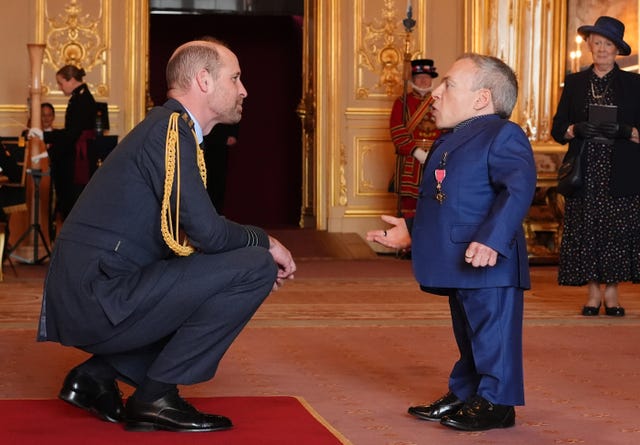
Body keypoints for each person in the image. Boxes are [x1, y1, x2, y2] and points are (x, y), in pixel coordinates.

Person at [37, 39, 297, 433]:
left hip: (94, 290)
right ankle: (154, 397)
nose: (244, 90)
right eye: (236, 77)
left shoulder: (170, 128)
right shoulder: (170, 130)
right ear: (204, 80)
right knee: (255, 265)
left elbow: (190, 232)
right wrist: (266, 241)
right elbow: (208, 233)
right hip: (98, 297)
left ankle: (94, 376)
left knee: (226, 269)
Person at [368, 53, 536, 431]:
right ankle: (466, 392)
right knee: (470, 334)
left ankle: (497, 403)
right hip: (461, 258)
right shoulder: (453, 140)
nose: (436, 94)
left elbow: (517, 188)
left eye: (449, 85)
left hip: (490, 260)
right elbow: (450, 201)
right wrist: (410, 227)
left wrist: (493, 240)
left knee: (493, 334)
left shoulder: (502, 134)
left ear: (482, 98)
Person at [551, 16, 640, 317]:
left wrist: (625, 131)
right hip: (585, 170)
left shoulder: (634, 83)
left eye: (608, 44)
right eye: (597, 43)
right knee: (587, 231)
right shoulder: (575, 82)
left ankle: (612, 296)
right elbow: (557, 128)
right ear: (589, 45)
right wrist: (576, 129)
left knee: (615, 233)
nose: (602, 49)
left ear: (618, 50)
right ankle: (592, 296)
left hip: (620, 170)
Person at [389, 59, 443, 218]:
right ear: (413, 80)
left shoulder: (440, 101)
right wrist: (417, 152)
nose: (424, 80)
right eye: (419, 77)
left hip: (436, 157)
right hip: (411, 160)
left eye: (427, 77)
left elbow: (448, 130)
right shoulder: (401, 102)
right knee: (409, 208)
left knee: (435, 201)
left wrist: (437, 152)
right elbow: (397, 131)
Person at [52, 64, 97, 219]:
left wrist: (48, 138)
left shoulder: (82, 99)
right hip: (76, 151)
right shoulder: (78, 96)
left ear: (71, 80)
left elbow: (72, 133)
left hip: (78, 156)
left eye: (60, 83)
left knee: (72, 197)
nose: (59, 87)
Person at [202, 123, 239, 213]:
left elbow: (233, 110)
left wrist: (233, 133)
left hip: (219, 139)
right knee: (200, 178)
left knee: (217, 178)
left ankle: (215, 214)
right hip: (201, 135)